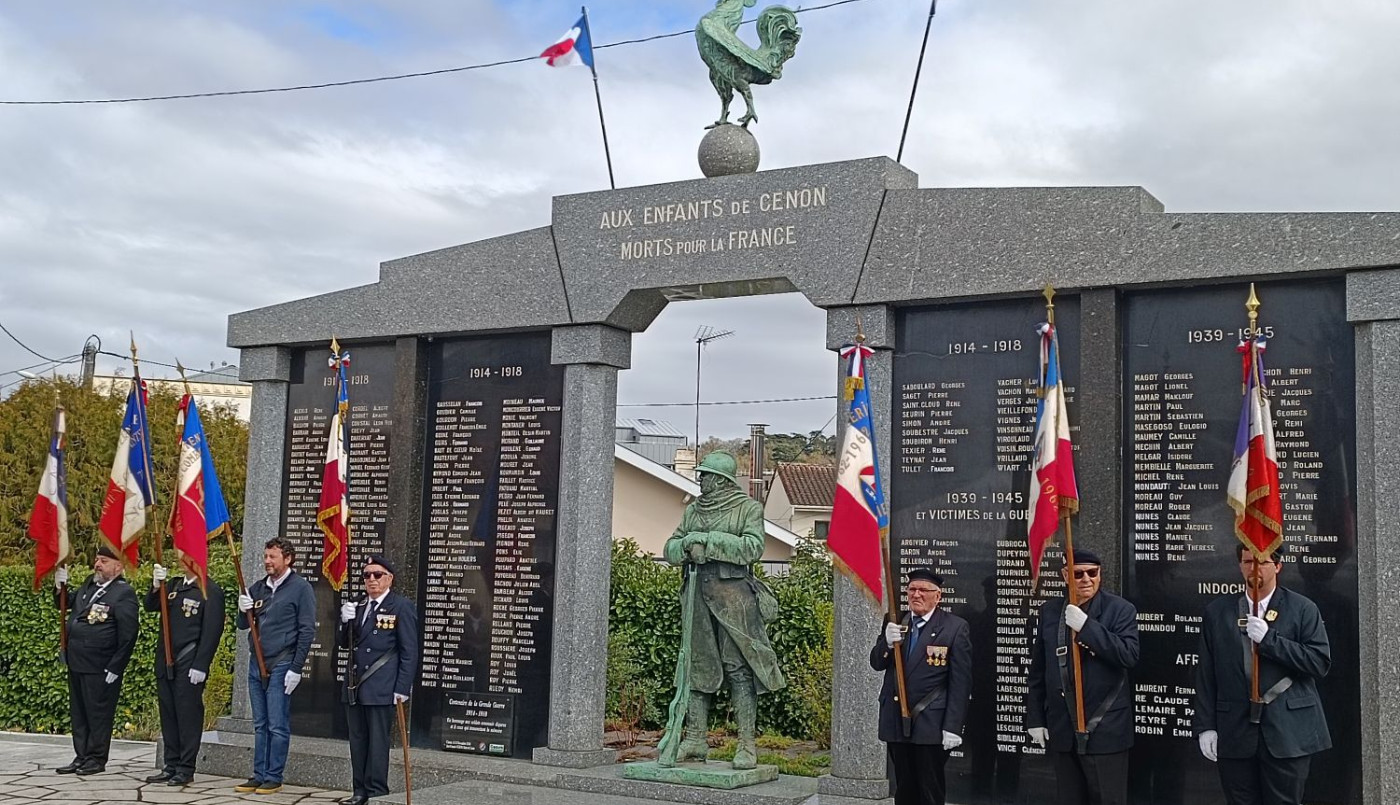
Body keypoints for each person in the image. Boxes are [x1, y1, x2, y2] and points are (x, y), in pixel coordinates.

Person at [659, 450, 785, 770]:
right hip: (697, 598)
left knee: (738, 668)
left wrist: (709, 541)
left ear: (720, 480)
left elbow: (752, 548)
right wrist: (686, 546)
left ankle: (746, 744)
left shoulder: (748, 508)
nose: (700, 479)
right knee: (696, 668)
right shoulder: (693, 510)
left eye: (705, 475)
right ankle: (695, 739)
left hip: (734, 600)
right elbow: (670, 548)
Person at [1193, 544, 1331, 805]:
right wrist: (1206, 726)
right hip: (1235, 731)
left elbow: (1318, 662)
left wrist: (1270, 640)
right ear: (1239, 566)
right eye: (1247, 562)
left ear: (1277, 566)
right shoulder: (1218, 612)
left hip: (1288, 733)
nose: (1254, 569)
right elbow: (1206, 674)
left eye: (1262, 563)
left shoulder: (1302, 608)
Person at [1025, 549, 1140, 805]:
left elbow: (1128, 655)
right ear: (1065, 576)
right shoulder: (1050, 611)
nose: (1086, 579)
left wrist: (1087, 627)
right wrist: (1036, 718)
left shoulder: (1120, 610)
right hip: (1063, 727)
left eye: (1092, 573)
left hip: (1105, 728)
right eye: (1078, 574)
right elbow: (1039, 670)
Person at [870, 567, 972, 805]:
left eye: (923, 590)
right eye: (912, 589)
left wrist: (953, 726)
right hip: (896, 718)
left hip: (931, 722)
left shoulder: (954, 627)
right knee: (904, 788)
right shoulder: (895, 621)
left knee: (929, 790)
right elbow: (876, 663)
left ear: (938, 595)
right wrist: (886, 644)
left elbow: (961, 681)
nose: (916, 595)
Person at [235, 537, 316, 795]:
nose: (267, 561)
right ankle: (259, 774)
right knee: (260, 723)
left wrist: (296, 667)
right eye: (266, 556)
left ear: (288, 559)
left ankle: (273, 776)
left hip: (282, 661)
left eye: (273, 557)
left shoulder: (300, 588)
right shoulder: (258, 588)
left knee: (276, 724)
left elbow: (306, 630)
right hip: (256, 662)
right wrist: (242, 609)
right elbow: (243, 625)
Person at [337, 556, 418, 805]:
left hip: (382, 685)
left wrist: (402, 686)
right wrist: (344, 621)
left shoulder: (400, 606)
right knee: (358, 740)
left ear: (389, 578)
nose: (371, 579)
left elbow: (409, 651)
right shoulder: (359, 605)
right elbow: (344, 644)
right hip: (355, 685)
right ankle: (359, 791)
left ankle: (376, 792)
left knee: (378, 743)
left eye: (377, 575)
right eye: (367, 575)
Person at [53, 545, 139, 776]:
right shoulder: (89, 585)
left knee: (98, 714)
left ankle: (96, 758)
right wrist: (60, 586)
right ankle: (81, 755)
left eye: (104, 561)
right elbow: (65, 604)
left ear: (118, 566)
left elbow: (129, 634)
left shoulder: (123, 593)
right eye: (97, 559)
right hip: (77, 661)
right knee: (79, 712)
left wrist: (116, 666)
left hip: (101, 665)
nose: (97, 564)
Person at [143, 561, 225, 786]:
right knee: (169, 715)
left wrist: (202, 664)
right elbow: (150, 606)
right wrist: (156, 586)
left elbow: (212, 631)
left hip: (189, 662)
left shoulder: (210, 590)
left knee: (187, 716)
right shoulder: (174, 586)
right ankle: (171, 764)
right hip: (166, 660)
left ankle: (186, 768)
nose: (182, 559)